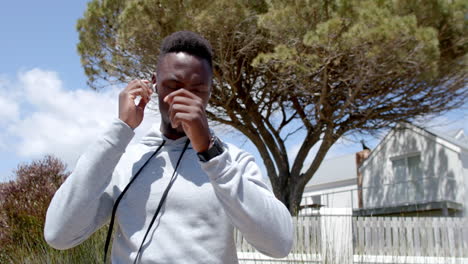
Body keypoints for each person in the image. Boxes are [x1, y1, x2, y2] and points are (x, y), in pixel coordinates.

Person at [44, 31, 293, 264]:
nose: (182, 100)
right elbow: (58, 234)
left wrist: (210, 151)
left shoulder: (232, 161)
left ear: (210, 91)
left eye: (196, 90)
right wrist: (119, 131)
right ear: (153, 83)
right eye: (173, 87)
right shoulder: (125, 159)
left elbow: (279, 244)